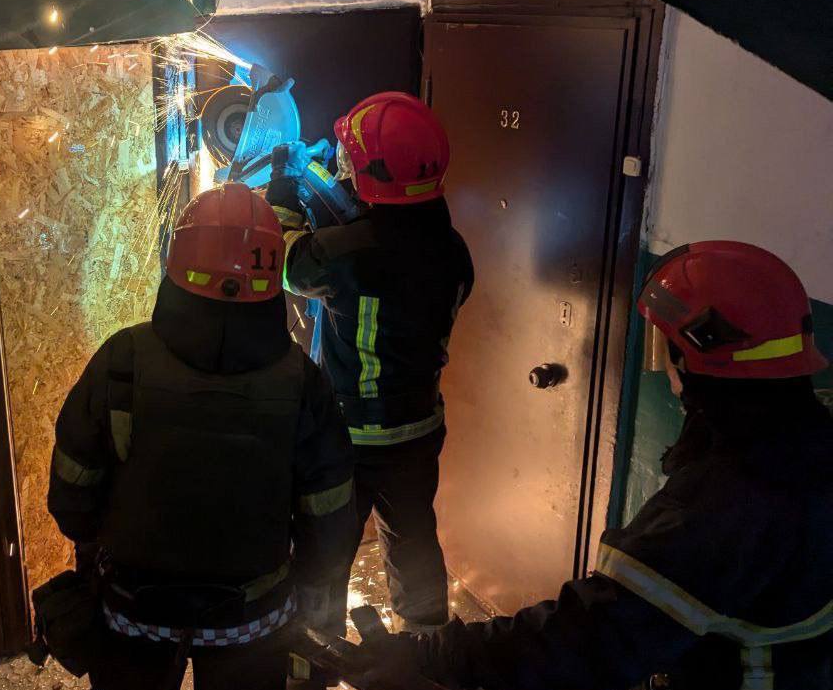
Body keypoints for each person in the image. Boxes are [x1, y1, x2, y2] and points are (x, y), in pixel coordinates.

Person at [346, 240, 833, 690]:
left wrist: (432, 656)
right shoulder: (806, 434)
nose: (662, 365)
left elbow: (587, 638)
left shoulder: (728, 502)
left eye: (666, 347)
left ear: (698, 352)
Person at [47, 182, 358, 690]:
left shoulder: (121, 360)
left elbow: (71, 495)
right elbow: (330, 520)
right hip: (254, 621)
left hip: (132, 613)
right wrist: (304, 586)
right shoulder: (303, 381)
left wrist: (99, 546)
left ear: (178, 259)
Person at [267, 92, 474, 632]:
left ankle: (316, 648)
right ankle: (426, 648)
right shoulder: (454, 250)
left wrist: (284, 186)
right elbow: (392, 246)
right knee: (412, 538)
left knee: (327, 546)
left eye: (350, 159)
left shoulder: (342, 254)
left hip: (349, 437)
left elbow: (286, 260)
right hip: (419, 429)